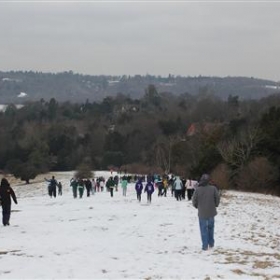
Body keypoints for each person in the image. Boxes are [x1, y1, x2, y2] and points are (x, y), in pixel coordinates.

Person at [192, 174, 220, 251]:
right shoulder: (213, 188)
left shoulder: (198, 189)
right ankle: (211, 243)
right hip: (211, 211)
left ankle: (205, 246)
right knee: (211, 228)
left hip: (202, 212)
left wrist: (197, 206)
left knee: (203, 229)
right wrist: (216, 205)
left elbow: (194, 201)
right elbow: (217, 198)